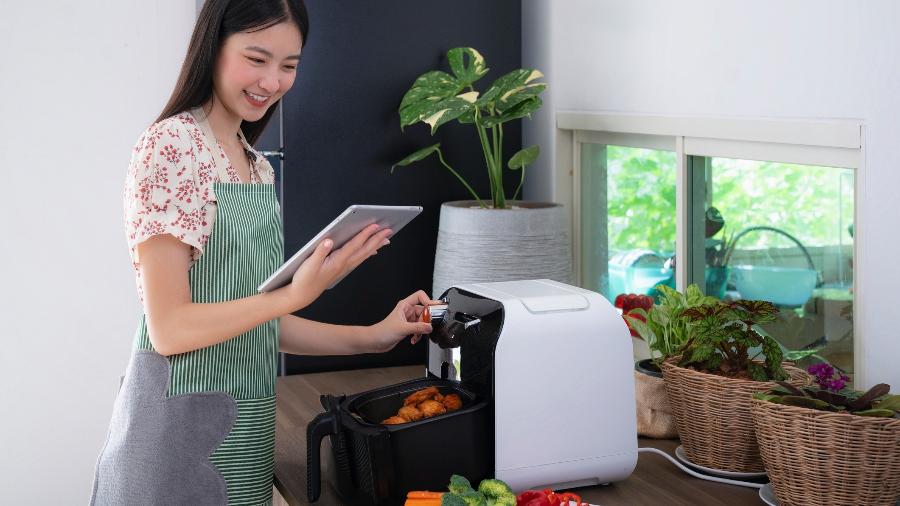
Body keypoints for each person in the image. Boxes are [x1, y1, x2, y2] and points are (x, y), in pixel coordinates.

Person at [90, 1, 435, 504]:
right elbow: (171, 329)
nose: (272, 82)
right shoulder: (171, 147)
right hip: (173, 445)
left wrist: (375, 336)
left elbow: (252, 327)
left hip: (246, 435)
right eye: (257, 59)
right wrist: (294, 295)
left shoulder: (257, 168)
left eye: (289, 66)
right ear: (213, 47)